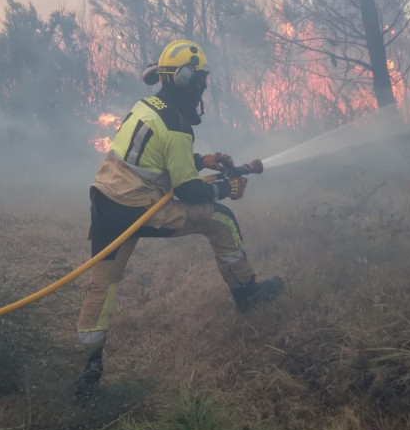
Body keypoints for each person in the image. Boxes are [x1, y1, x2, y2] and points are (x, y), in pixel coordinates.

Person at [75, 39, 283, 402]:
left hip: (106, 201)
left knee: (102, 287)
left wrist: (203, 159)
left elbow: (155, 155)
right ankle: (249, 295)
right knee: (222, 220)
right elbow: (187, 191)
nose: (204, 85)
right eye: (201, 79)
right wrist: (225, 188)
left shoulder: (149, 106)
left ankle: (86, 376)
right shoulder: (176, 123)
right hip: (139, 208)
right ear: (185, 78)